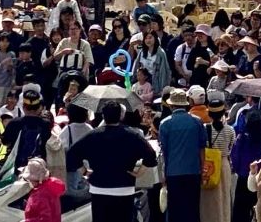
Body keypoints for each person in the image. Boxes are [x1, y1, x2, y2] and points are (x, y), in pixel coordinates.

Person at [67, 101, 157, 222]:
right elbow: (151, 156)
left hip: (99, 187)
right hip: (124, 187)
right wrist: (139, 173)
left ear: (103, 116)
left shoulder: (93, 135)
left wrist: (83, 171)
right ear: (121, 116)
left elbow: (72, 154)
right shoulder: (132, 135)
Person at [159, 89, 207, 222]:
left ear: (171, 105)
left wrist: (163, 175)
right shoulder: (197, 122)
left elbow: (164, 153)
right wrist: (202, 169)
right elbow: (202, 148)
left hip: (173, 173)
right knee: (192, 209)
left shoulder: (165, 123)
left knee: (175, 211)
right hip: (193, 171)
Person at [201, 99, 235, 222]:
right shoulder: (230, 130)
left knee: (208, 198)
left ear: (209, 113)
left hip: (209, 164)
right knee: (224, 197)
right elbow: (231, 146)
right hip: (224, 163)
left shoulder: (205, 128)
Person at [2, 90, 53, 168]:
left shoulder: (14, 123)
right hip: (38, 167)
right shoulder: (45, 125)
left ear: (23, 107)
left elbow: (5, 141)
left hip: (16, 166)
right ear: (40, 107)